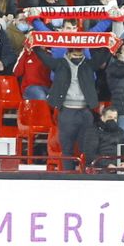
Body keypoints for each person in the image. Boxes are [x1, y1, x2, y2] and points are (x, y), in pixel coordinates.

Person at [33, 41, 101, 171]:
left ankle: (85, 177)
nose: (77, 56)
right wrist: (34, 46)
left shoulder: (88, 64)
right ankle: (67, 177)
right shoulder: (60, 64)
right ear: (68, 53)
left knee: (86, 149)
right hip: (67, 112)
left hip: (85, 112)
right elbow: (43, 57)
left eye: (79, 53)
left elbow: (103, 56)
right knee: (67, 149)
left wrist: (111, 45)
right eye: (74, 53)